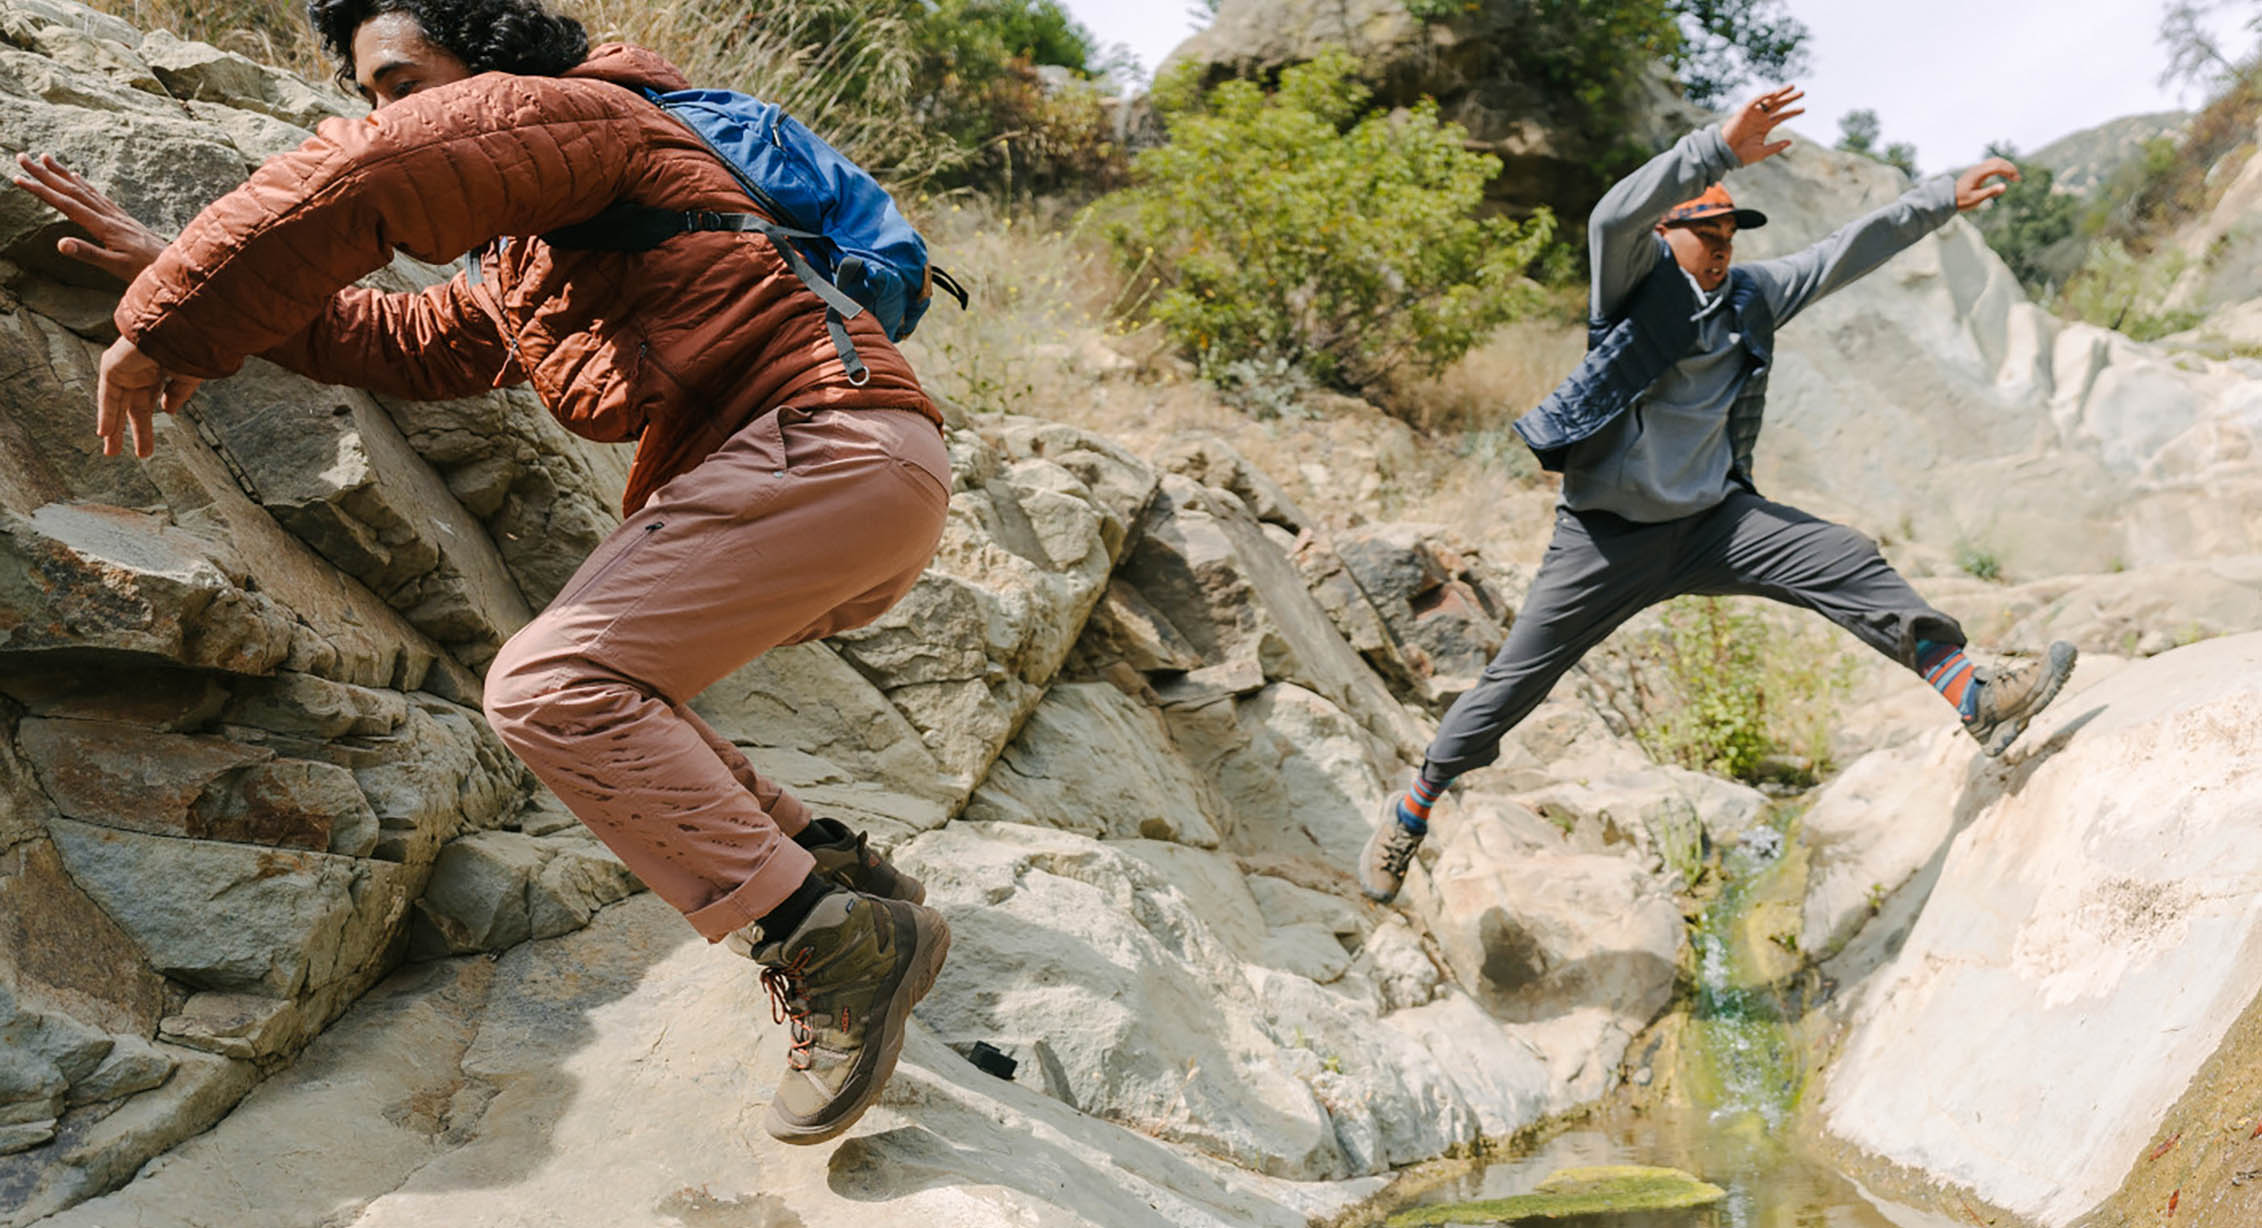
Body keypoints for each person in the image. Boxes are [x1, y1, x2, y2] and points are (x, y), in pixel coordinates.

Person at [14, 0, 950, 1145]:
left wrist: (170, 317)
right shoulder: (555, 237)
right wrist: (174, 269)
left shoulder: (583, 118)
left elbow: (372, 176)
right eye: (369, 89)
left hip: (821, 444)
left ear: (487, 57)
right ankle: (843, 880)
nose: (382, 106)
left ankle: (825, 938)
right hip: (841, 466)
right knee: (613, 690)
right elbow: (404, 342)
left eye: (401, 76)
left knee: (550, 688)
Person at [1358, 86, 2079, 904]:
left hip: (1713, 523)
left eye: (1731, 230)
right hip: (1606, 539)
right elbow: (1607, 221)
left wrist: (1936, 198)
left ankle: (1974, 696)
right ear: (1667, 234)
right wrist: (1717, 149)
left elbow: (1848, 249)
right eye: (1708, 229)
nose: (1723, 243)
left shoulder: (1752, 297)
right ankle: (1412, 812)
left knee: (1843, 556)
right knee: (1512, 684)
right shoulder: (1631, 288)